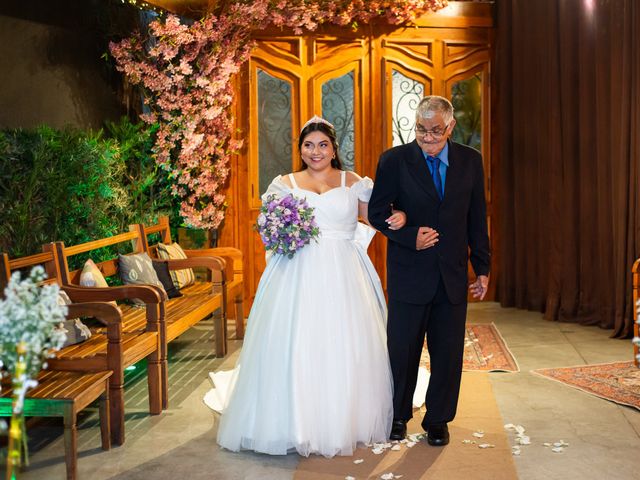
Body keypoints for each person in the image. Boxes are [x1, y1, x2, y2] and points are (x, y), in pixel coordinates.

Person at [205, 116, 406, 458]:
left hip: (345, 271)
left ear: (334, 149)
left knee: (344, 340)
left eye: (323, 145)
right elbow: (267, 224)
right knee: (298, 339)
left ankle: (345, 416)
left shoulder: (352, 181)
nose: (316, 152)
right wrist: (281, 230)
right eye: (309, 145)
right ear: (300, 149)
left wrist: (398, 218)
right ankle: (295, 419)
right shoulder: (285, 183)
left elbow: (374, 216)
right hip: (297, 270)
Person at [368, 95, 491, 447]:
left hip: (451, 274)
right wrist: (408, 235)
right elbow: (378, 213)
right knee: (402, 349)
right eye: (421, 130)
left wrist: (482, 267)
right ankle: (397, 416)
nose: (428, 138)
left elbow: (476, 218)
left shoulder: (470, 161)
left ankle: (438, 419)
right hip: (409, 272)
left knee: (448, 352)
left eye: (436, 131)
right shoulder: (394, 160)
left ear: (450, 127)